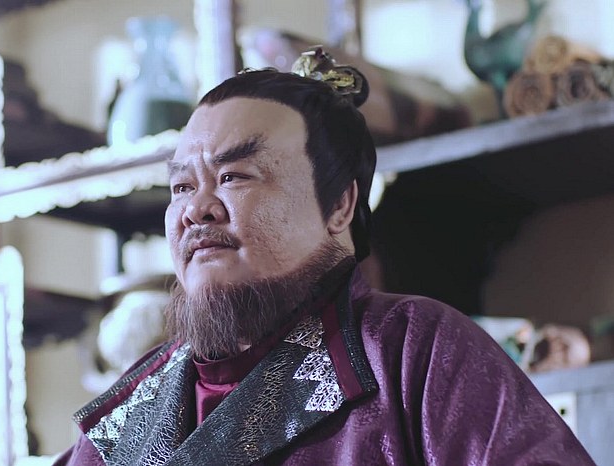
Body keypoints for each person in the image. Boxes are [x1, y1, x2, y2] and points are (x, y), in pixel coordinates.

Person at [54, 48, 594, 465]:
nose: (196, 209)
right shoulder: (131, 412)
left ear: (338, 205)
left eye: (233, 176)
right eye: (181, 187)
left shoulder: (414, 351)